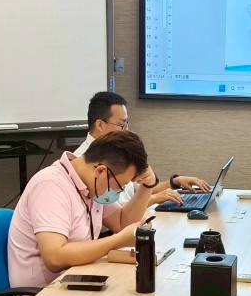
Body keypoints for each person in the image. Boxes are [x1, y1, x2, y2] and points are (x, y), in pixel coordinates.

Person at [8, 129, 150, 288]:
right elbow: (55, 258)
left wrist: (147, 186)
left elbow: (122, 223)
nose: (118, 191)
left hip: (76, 279)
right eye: (120, 186)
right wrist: (119, 240)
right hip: (41, 293)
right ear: (100, 171)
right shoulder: (50, 185)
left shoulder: (90, 183)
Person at [75, 91, 210, 217]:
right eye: (122, 125)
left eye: (127, 123)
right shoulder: (84, 162)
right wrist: (155, 198)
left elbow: (141, 189)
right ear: (100, 124)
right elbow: (112, 214)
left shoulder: (115, 153)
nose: (127, 130)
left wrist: (175, 182)